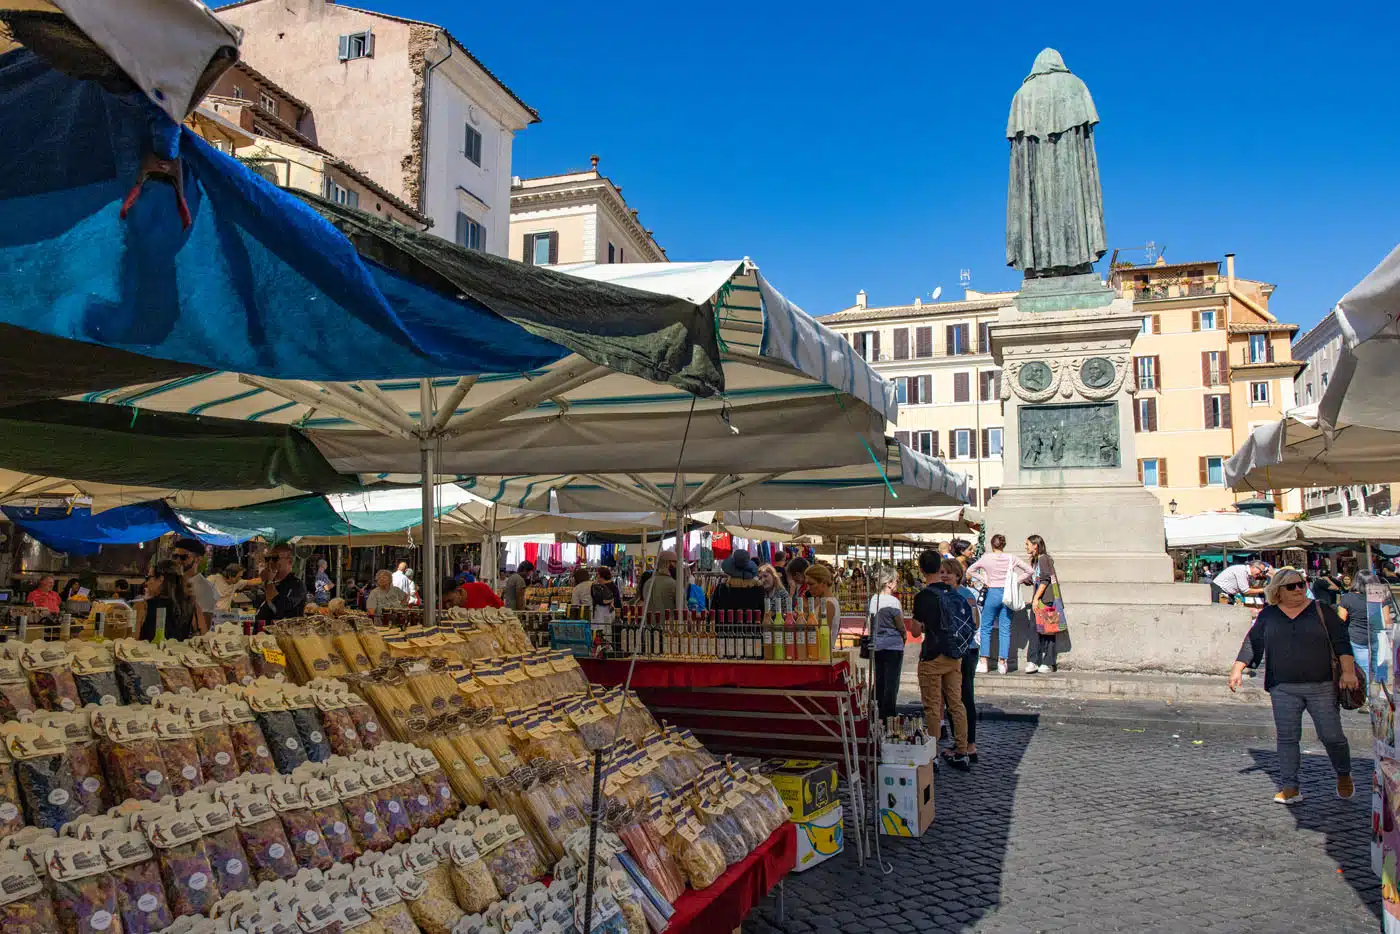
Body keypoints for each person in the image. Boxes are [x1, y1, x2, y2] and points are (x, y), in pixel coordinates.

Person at [1229, 567, 1357, 804]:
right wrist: (1238, 668)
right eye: (1292, 586)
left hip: (1322, 685)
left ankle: (1343, 773)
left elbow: (1342, 643)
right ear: (1278, 591)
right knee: (1287, 737)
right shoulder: (1269, 615)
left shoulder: (1322, 610)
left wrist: (1348, 672)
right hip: (1283, 687)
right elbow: (1252, 641)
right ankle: (1290, 786)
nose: (1299, 589)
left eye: (1302, 584)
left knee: (1332, 736)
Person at [908, 551, 972, 771]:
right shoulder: (955, 594)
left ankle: (933, 755)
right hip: (954, 656)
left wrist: (924, 624)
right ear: (939, 567)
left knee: (933, 707)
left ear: (922, 570)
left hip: (932, 656)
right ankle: (962, 751)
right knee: (956, 703)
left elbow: (915, 631)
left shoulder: (924, 596)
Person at [966, 534, 1033, 675]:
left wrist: (984, 579)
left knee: (985, 628)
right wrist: (1016, 581)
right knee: (1005, 628)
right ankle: (1003, 662)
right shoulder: (1011, 558)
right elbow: (1030, 571)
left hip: (992, 592)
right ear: (1003, 545)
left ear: (992, 545)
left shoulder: (986, 558)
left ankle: (984, 661)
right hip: (1007, 593)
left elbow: (970, 570)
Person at [868, 567, 907, 720]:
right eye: (896, 581)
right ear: (889, 583)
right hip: (893, 646)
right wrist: (903, 636)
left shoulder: (873, 599)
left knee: (879, 679)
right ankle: (888, 715)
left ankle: (875, 713)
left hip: (877, 644)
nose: (897, 584)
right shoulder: (893, 602)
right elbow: (900, 625)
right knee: (891, 682)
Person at [1024, 535, 1065, 674]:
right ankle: (1034, 660)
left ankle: (1047, 662)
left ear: (1035, 545)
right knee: (1035, 630)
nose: (1026, 547)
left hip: (1046, 601)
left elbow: (1045, 580)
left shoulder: (1043, 558)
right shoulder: (1037, 560)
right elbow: (1038, 579)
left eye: (1028, 544)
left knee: (1048, 631)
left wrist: (1035, 598)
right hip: (1042, 600)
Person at [137, 561, 198, 642]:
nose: (146, 583)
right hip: (178, 652)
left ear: (161, 579)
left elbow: (133, 639)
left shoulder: (144, 606)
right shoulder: (189, 604)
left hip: (151, 653)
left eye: (148, 577)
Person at [255, 543, 308, 630]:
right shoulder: (273, 582)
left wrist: (269, 582)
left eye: (275, 558)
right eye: (268, 558)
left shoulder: (296, 585)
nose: (270, 562)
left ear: (289, 561)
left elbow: (279, 608)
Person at [171, 537, 216, 631]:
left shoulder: (206, 588)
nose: (177, 561)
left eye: (184, 557)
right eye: (175, 557)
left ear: (197, 559)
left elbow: (204, 627)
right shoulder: (171, 581)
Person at [1338, 570, 1376, 678]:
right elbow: (1387, 620)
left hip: (1357, 637)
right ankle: (1377, 691)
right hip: (1377, 637)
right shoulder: (1379, 597)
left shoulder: (1347, 598)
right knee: (1377, 669)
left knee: (1363, 670)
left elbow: (1340, 620)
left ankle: (1367, 693)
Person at [710, 550, 766, 615]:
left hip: (725, 625)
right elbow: (763, 615)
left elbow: (713, 615)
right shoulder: (758, 589)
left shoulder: (722, 588)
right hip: (752, 624)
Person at [803, 564, 842, 654]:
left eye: (811, 584)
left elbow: (819, 635)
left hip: (821, 655)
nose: (808, 588)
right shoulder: (823, 601)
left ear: (823, 583)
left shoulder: (827, 604)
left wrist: (805, 613)